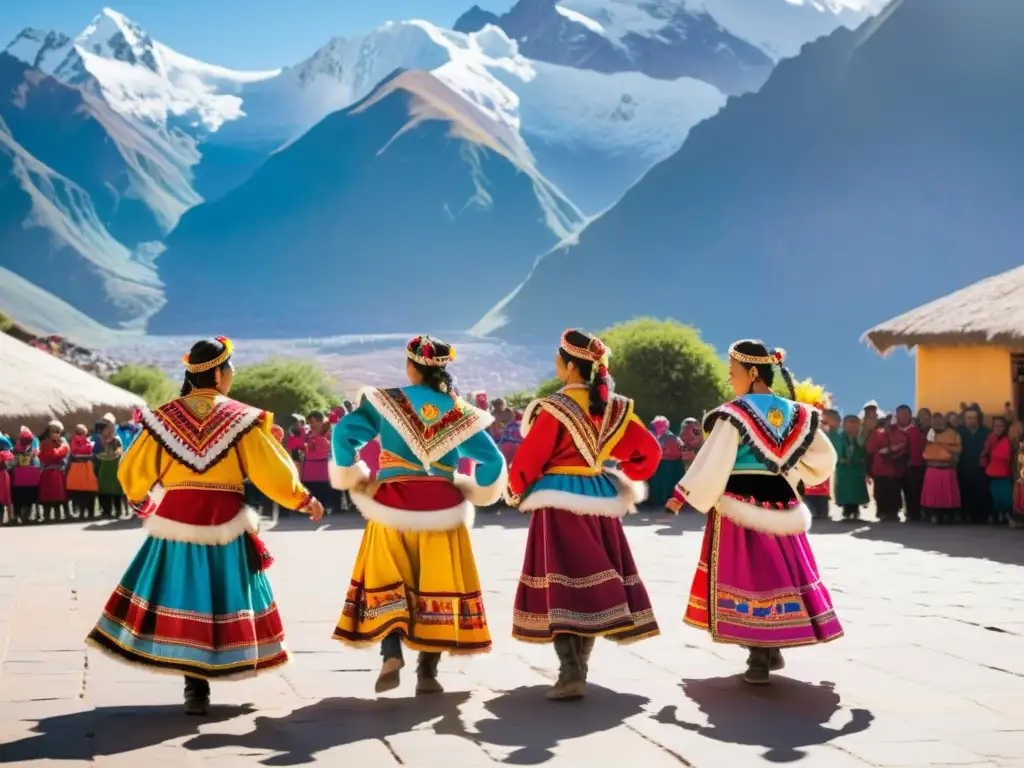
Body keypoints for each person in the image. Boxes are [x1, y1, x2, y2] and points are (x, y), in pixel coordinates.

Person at [86, 337, 324, 715]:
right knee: (224, 595)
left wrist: (142, 501)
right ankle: (224, 664)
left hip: (175, 522)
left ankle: (194, 688)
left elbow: (133, 469)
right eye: (229, 369)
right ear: (216, 372)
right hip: (226, 522)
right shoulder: (242, 419)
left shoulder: (163, 419)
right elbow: (271, 471)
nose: (231, 375)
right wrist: (303, 499)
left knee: (183, 596)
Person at [329, 335, 505, 695]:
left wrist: (355, 473)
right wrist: (472, 487)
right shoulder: (460, 412)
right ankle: (428, 672)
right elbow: (494, 461)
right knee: (434, 587)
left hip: (391, 506)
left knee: (387, 579)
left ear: (411, 366)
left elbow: (344, 434)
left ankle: (391, 652)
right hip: (442, 509)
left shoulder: (385, 401)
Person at [673, 340, 840, 686]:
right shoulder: (798, 413)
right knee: (781, 576)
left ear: (752, 374)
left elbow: (715, 457)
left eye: (733, 373)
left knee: (749, 578)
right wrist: (796, 477)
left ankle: (758, 657)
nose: (731, 380)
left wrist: (684, 494)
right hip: (783, 504)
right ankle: (772, 646)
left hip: (740, 505)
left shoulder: (734, 413)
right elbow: (824, 457)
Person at [506, 329, 661, 700]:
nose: (557, 366)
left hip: (558, 501)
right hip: (599, 500)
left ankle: (569, 669)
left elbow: (528, 461)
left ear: (571, 365)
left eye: (559, 360)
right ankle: (581, 667)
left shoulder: (555, 408)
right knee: (594, 583)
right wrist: (623, 474)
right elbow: (649, 453)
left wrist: (516, 491)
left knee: (559, 581)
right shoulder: (615, 409)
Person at [921, 412, 962, 525]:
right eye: (934, 421)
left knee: (947, 496)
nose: (937, 423)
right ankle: (933, 514)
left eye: (939, 420)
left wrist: (941, 443)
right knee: (932, 496)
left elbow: (958, 450)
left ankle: (947, 515)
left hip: (947, 468)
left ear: (944, 421)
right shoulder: (927, 433)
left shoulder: (953, 434)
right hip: (932, 467)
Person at [866, 414, 908, 522]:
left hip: (895, 469)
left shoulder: (901, 434)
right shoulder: (877, 433)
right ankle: (882, 512)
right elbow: (870, 449)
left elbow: (904, 447)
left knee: (894, 491)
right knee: (880, 491)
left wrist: (893, 450)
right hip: (880, 468)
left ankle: (894, 512)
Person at [831, 415, 870, 521]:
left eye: (854, 423)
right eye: (849, 422)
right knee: (845, 489)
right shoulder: (840, 436)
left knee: (856, 489)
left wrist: (861, 460)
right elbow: (835, 449)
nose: (852, 425)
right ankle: (846, 509)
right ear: (844, 425)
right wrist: (840, 459)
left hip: (857, 468)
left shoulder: (861, 437)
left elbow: (865, 450)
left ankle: (855, 509)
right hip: (844, 468)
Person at [958, 407, 991, 524]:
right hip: (964, 468)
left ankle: (981, 517)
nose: (971, 420)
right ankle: (965, 516)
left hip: (981, 469)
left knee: (981, 493)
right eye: (969, 418)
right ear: (964, 419)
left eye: (974, 418)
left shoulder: (986, 432)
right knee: (965, 492)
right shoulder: (959, 432)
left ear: (978, 419)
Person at [895, 405, 926, 522]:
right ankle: (906, 511)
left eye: (906, 414)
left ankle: (916, 513)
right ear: (897, 416)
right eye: (901, 415)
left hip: (916, 465)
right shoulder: (893, 430)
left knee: (916, 490)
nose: (904, 417)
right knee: (904, 490)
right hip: (899, 465)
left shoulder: (916, 430)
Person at [981, 416, 1014, 524]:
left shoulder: (1009, 439)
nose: (999, 428)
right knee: (996, 496)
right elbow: (985, 453)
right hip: (993, 471)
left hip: (1005, 472)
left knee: (1006, 497)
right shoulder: (990, 438)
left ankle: (1007, 514)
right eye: (996, 426)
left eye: (1001, 426)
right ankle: (998, 514)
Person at [37, 420, 70, 522]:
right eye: (53, 431)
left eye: (57, 432)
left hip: (58, 473)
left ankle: (58, 515)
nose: (55, 434)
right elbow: (44, 457)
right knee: (47, 495)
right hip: (47, 472)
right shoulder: (44, 443)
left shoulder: (62, 443)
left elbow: (65, 453)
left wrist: (57, 452)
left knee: (59, 495)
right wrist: (56, 453)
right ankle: (46, 516)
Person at [648, 416, 684, 508]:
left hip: (662, 463)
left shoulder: (668, 436)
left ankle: (657, 502)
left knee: (659, 484)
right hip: (669, 463)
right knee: (667, 484)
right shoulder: (671, 436)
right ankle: (664, 502)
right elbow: (682, 449)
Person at [66, 425, 99, 518]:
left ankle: (82, 513)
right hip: (86, 468)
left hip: (77, 469)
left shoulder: (73, 441)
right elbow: (90, 452)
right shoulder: (88, 442)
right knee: (88, 492)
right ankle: (90, 513)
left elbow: (73, 453)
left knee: (79, 492)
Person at [11, 427, 40, 524]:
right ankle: (18, 516)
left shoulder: (32, 448)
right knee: (20, 497)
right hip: (23, 476)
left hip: (25, 476)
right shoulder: (16, 448)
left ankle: (24, 516)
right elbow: (13, 461)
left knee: (26, 497)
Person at [95, 424, 125, 519]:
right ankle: (106, 511)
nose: (108, 432)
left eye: (110, 430)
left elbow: (118, 453)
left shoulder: (116, 440)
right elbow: (95, 452)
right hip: (103, 470)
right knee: (104, 492)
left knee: (116, 492)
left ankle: (118, 511)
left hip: (115, 468)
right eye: (106, 430)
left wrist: (105, 455)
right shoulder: (99, 440)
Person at [0, 432, 13, 524]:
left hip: (3, 475)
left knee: (5, 498)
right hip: (3, 474)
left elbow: (9, 458)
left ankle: (10, 518)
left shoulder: (5, 451)